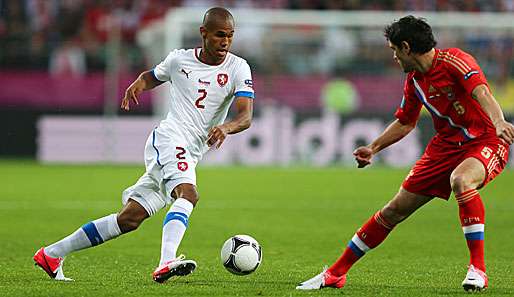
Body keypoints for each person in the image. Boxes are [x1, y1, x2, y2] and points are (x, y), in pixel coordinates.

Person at [33, 7, 255, 283]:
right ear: (203, 33)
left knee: (129, 219)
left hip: (191, 151)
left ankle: (52, 254)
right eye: (220, 35)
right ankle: (166, 261)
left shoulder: (237, 67)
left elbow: (245, 116)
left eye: (230, 36)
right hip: (170, 138)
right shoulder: (179, 60)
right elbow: (153, 76)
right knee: (188, 194)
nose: (225, 42)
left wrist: (226, 127)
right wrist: (138, 83)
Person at [296, 15, 513, 292]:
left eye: (394, 50)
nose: (394, 57)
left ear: (406, 47)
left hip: (486, 139)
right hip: (444, 147)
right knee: (393, 210)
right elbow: (406, 122)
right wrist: (373, 147)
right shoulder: (414, 82)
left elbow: (482, 93)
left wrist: (498, 123)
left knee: (461, 180)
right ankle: (336, 273)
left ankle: (478, 270)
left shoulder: (456, 61)